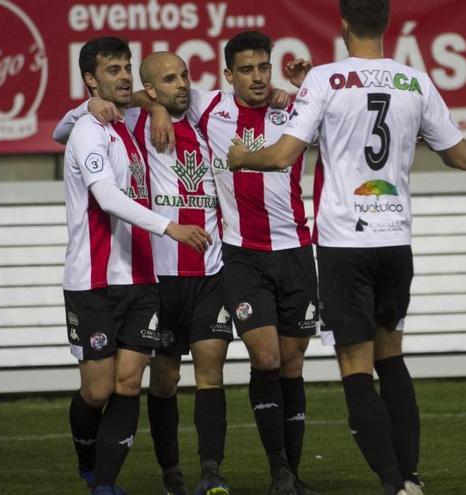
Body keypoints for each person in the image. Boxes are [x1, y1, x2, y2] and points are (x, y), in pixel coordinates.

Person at [225, 2, 466, 494]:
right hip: (396, 242)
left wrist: (240, 158)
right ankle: (411, 477)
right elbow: (460, 157)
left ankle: (392, 484)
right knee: (392, 358)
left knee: (355, 366)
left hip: (343, 243)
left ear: (342, 26)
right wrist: (412, 132)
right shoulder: (415, 82)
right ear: (386, 24)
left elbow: (281, 156)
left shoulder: (326, 81)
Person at [54, 52, 233, 495]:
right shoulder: (96, 127)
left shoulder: (129, 124)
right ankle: (88, 453)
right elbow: (105, 192)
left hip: (143, 277)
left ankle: (110, 484)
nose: (122, 78)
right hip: (96, 279)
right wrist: (85, 106)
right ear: (91, 79)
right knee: (99, 391)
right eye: (112, 70)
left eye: (125, 69)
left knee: (130, 382)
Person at [167, 30, 320, 495]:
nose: (257, 77)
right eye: (247, 70)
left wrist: (307, 83)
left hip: (296, 251)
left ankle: (290, 474)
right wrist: (154, 106)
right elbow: (155, 91)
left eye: (263, 68)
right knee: (267, 356)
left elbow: (342, 116)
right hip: (242, 257)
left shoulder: (293, 108)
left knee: (291, 365)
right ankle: (278, 470)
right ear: (228, 74)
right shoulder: (208, 106)